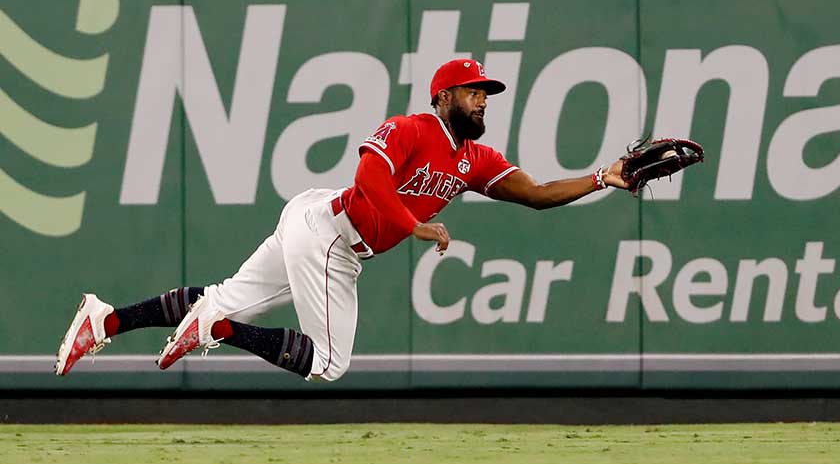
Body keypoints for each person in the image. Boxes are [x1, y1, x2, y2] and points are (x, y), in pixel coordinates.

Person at [55, 58, 632, 380]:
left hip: (316, 218)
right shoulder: (413, 128)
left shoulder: (475, 158)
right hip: (333, 237)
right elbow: (370, 179)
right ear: (443, 96)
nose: (483, 99)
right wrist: (413, 225)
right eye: (472, 90)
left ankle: (105, 322)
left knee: (227, 293)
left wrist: (602, 176)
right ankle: (217, 330)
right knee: (329, 364)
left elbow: (535, 192)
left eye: (487, 92)